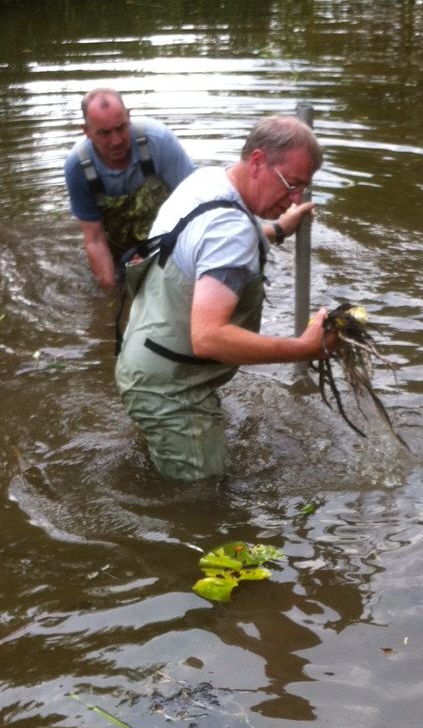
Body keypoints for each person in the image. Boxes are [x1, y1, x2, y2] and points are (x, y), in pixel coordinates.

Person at [115, 114, 334, 481]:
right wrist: (304, 348)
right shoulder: (231, 233)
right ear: (259, 161)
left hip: (142, 357)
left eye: (303, 189)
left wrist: (277, 229)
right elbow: (209, 338)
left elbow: (205, 244)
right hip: (171, 388)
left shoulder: (208, 182)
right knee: (202, 501)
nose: (296, 198)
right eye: (292, 184)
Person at [64, 87, 194, 289]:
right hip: (118, 255)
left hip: (168, 245)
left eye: (121, 128)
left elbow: (195, 201)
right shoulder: (77, 167)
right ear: (87, 132)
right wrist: (112, 295)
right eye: (105, 133)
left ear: (129, 117)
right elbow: (95, 239)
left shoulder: (158, 140)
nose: (116, 140)